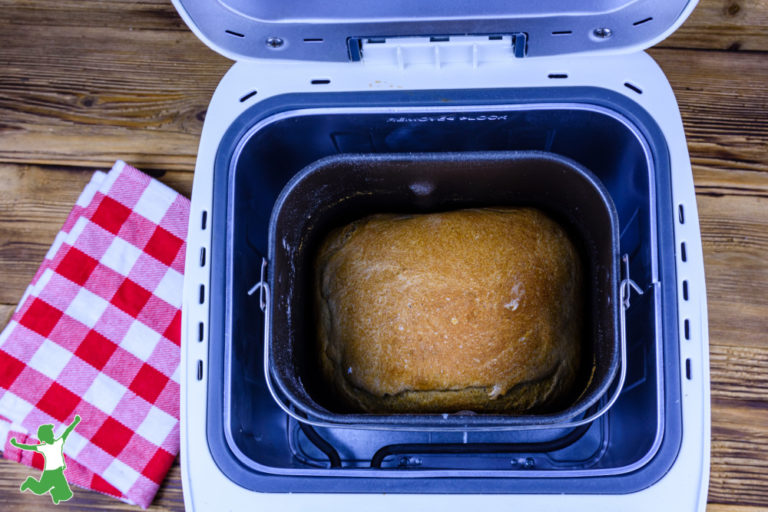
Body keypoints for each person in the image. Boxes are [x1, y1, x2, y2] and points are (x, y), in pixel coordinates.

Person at [10, 414, 80, 504]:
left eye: (51, 432)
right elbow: (29, 447)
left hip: (58, 472)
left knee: (66, 494)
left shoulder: (58, 442)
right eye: (49, 433)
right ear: (44, 437)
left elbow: (67, 431)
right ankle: (30, 482)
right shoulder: (43, 447)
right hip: (49, 473)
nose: (51, 434)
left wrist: (75, 422)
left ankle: (55, 493)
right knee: (40, 490)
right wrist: (16, 444)